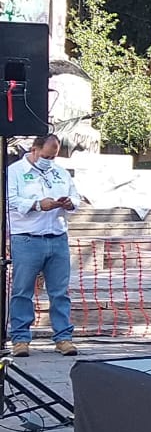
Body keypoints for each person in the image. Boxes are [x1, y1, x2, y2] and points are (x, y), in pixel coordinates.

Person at [6, 134, 80, 357]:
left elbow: (77, 197)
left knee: (60, 292)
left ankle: (63, 337)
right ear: (35, 150)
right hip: (27, 238)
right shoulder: (15, 172)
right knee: (22, 291)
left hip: (57, 237)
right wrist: (37, 204)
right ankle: (20, 339)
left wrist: (69, 203)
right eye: (46, 156)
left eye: (54, 156)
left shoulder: (60, 172)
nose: (49, 160)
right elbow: (10, 200)